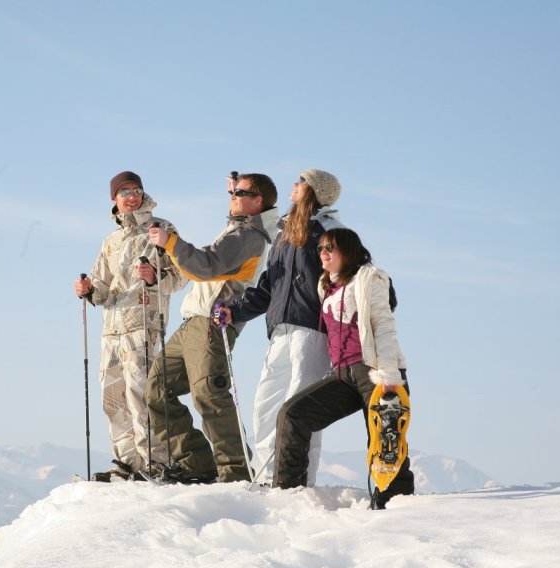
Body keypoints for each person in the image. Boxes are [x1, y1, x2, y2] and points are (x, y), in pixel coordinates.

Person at [145, 172, 280, 483]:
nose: (233, 196)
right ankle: (198, 464)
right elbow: (236, 224)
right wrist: (236, 196)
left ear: (258, 201)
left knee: (209, 394)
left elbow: (206, 265)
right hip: (193, 321)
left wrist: (170, 242)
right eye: (232, 191)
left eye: (241, 193)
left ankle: (236, 473)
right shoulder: (243, 229)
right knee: (157, 390)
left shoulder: (249, 236)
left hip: (211, 322)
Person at [216, 169, 345, 485]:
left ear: (315, 190)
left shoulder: (329, 232)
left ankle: (297, 480)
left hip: (313, 331)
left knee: (300, 407)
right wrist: (236, 311)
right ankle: (267, 476)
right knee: (266, 404)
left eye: (301, 181)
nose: (295, 184)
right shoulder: (284, 235)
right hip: (280, 331)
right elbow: (268, 286)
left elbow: (346, 281)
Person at [271, 228, 414, 508]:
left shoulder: (369, 279)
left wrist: (388, 375)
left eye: (330, 248)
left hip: (374, 371)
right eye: (321, 248)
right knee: (293, 414)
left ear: (347, 252)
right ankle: (288, 494)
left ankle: (396, 502)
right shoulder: (327, 285)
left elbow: (383, 326)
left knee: (386, 439)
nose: (323, 253)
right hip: (342, 375)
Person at [74, 171, 186, 482]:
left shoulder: (160, 229)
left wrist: (154, 277)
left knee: (141, 395)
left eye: (136, 190)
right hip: (112, 329)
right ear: (115, 200)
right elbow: (102, 286)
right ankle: (126, 463)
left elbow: (182, 274)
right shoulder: (110, 242)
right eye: (125, 193)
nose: (132, 196)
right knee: (112, 398)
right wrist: (88, 290)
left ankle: (156, 461)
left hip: (144, 324)